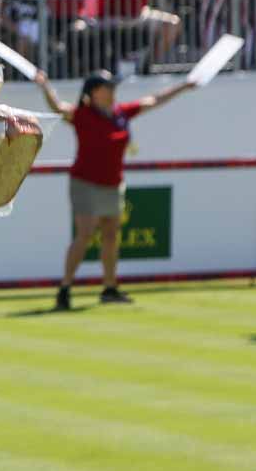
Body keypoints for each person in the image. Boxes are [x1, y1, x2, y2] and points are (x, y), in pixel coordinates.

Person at [35, 69, 197, 310]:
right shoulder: (82, 115)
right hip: (85, 184)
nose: (112, 91)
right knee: (85, 234)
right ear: (93, 93)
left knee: (111, 236)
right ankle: (65, 289)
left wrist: (184, 86)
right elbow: (57, 107)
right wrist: (44, 85)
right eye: (107, 87)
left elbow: (154, 100)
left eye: (112, 86)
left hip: (113, 184)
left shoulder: (122, 113)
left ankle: (109, 288)